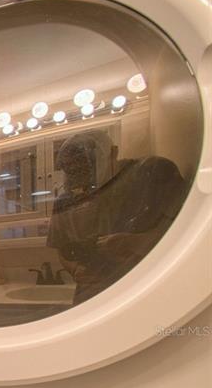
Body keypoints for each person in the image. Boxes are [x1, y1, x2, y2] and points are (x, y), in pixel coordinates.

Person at [47, 130, 187, 304]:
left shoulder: (151, 173)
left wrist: (135, 242)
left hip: (147, 287)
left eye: (86, 168)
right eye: (71, 171)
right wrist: (75, 269)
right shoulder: (65, 201)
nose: (80, 181)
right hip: (91, 293)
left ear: (113, 152)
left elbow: (186, 233)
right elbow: (62, 248)